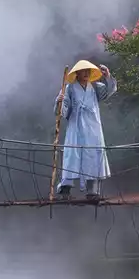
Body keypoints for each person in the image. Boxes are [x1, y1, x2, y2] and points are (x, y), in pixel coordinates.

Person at [56, 59, 116, 201]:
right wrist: (59, 102)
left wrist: (107, 76)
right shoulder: (69, 88)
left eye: (88, 71)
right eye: (83, 71)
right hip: (76, 127)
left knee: (94, 154)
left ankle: (92, 192)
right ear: (77, 73)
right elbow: (63, 110)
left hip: (93, 127)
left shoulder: (96, 87)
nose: (86, 73)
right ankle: (65, 190)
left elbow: (109, 91)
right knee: (72, 155)